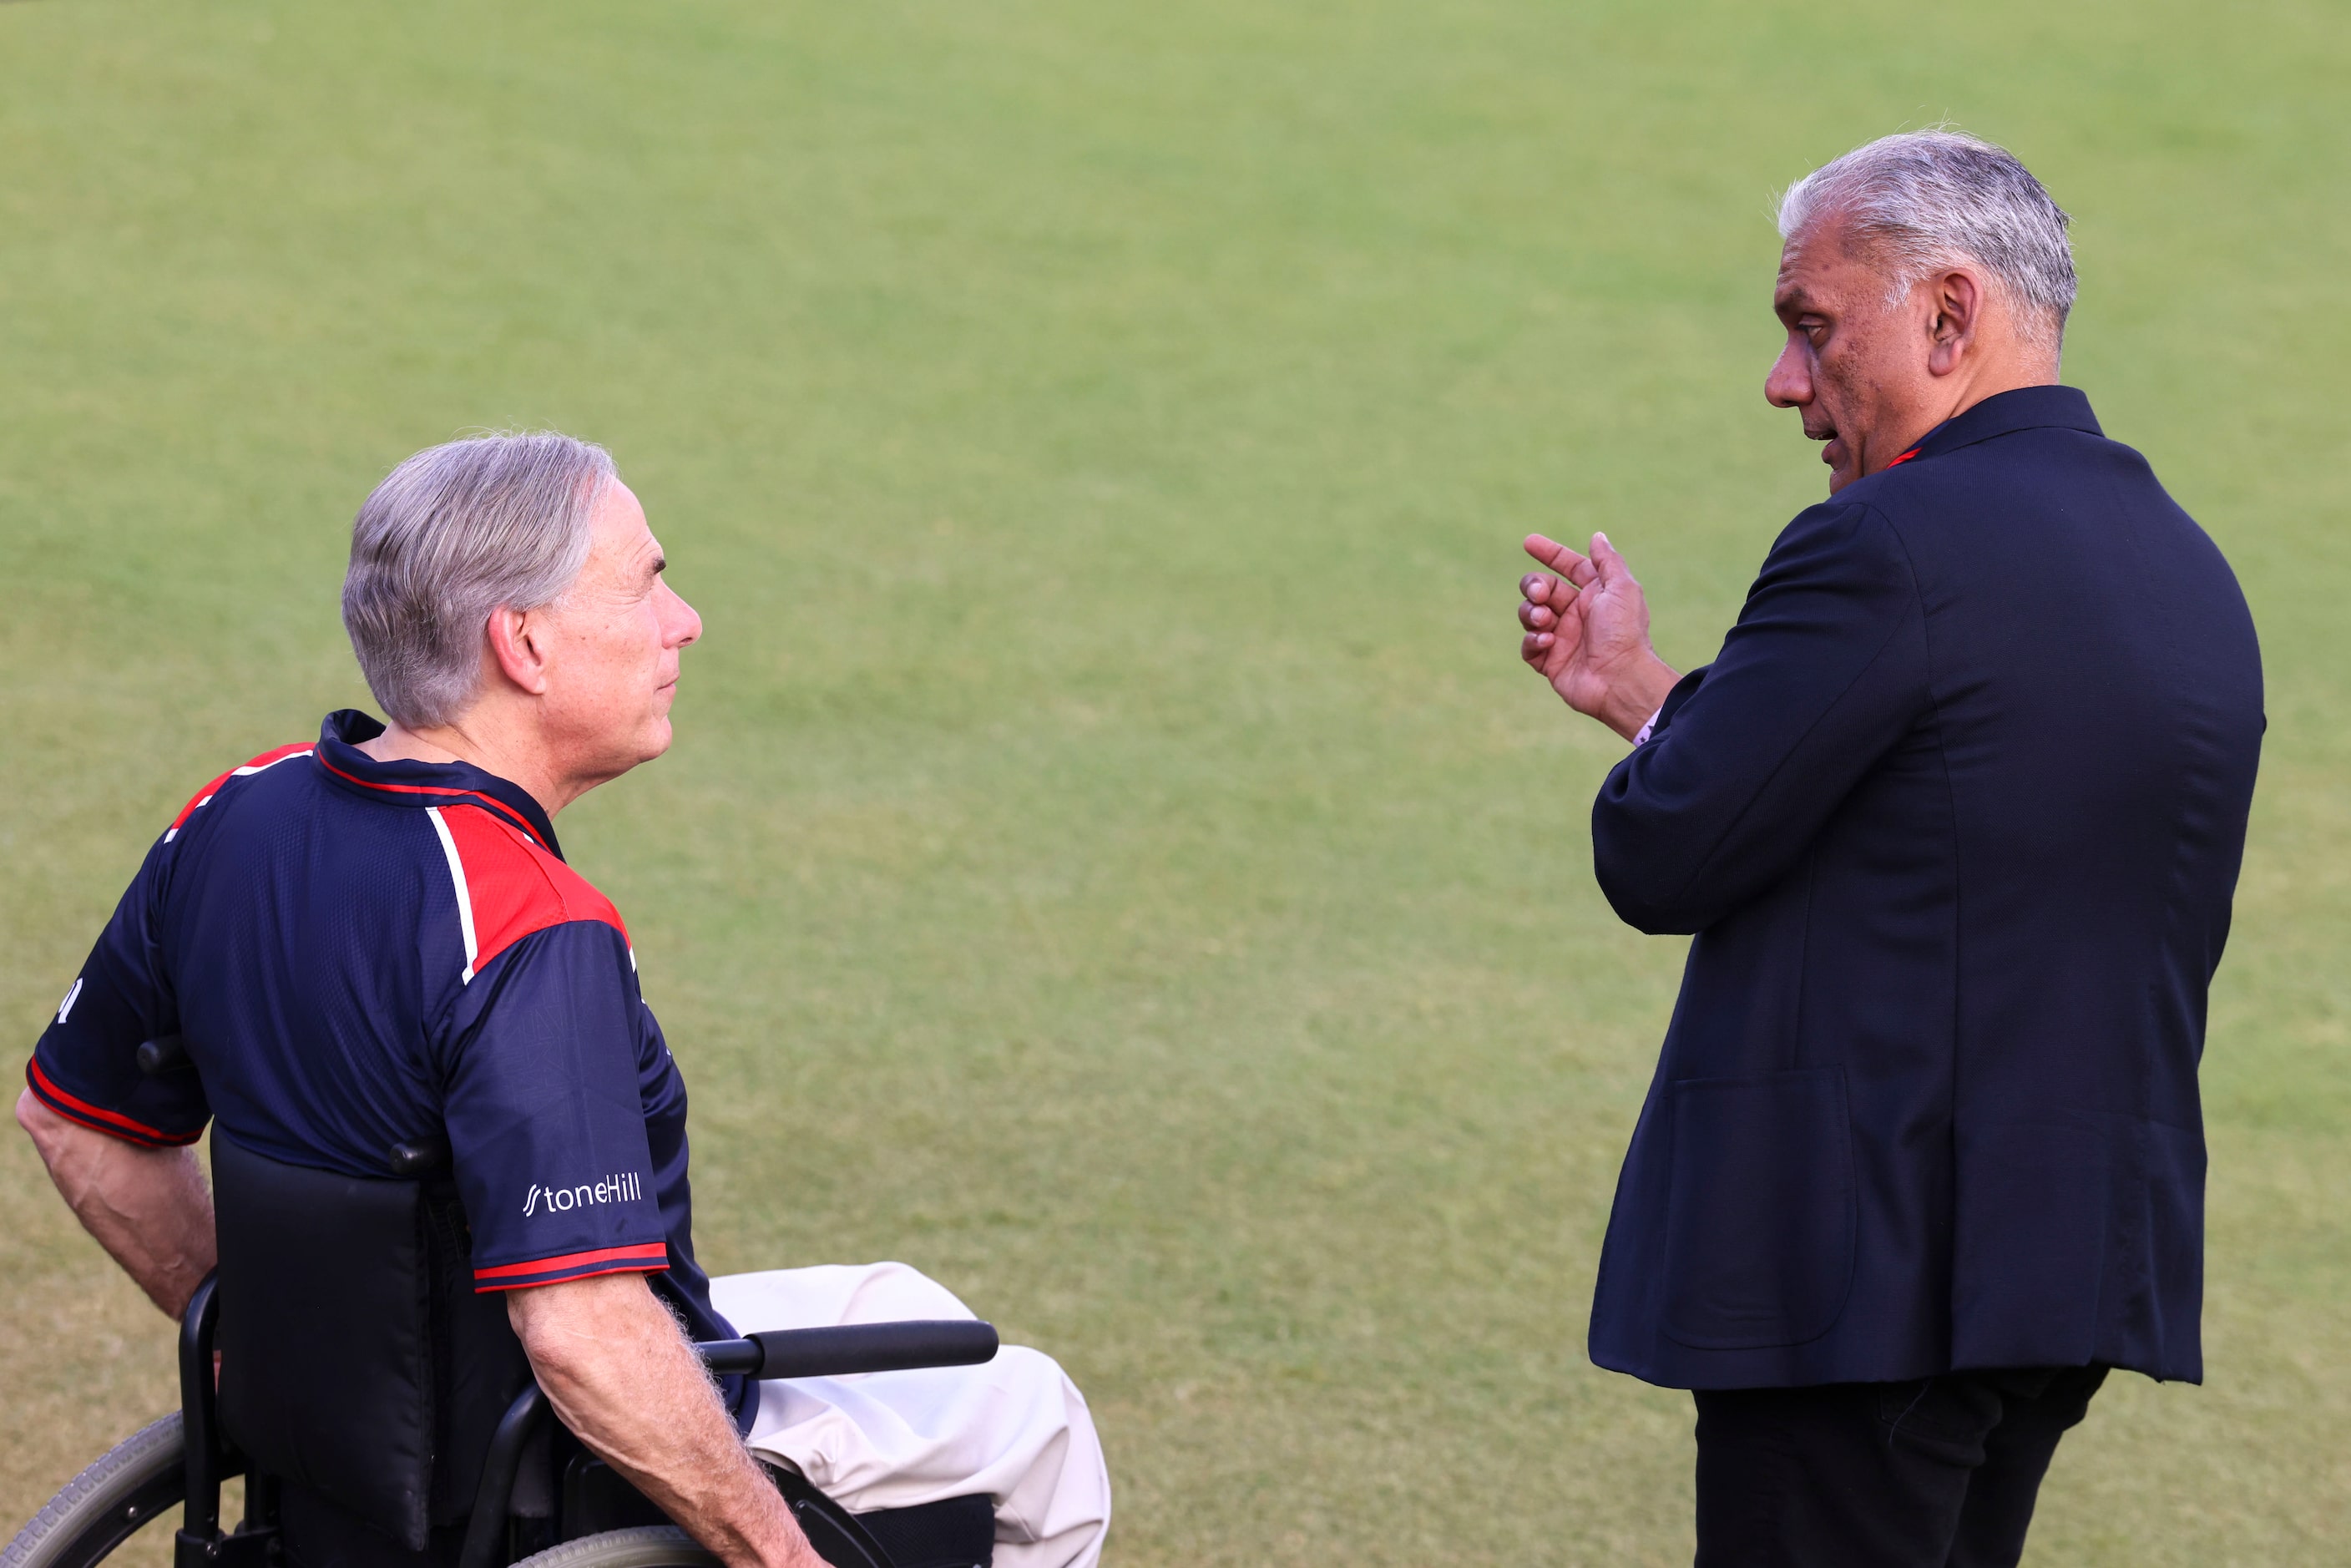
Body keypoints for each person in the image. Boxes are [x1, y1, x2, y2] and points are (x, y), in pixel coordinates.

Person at [18, 434, 1109, 1568]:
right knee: (1033, 1415)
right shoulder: (529, 927)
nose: (683, 620)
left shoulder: (232, 820)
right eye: (645, 582)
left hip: (364, 1454)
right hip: (543, 1475)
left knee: (902, 1300)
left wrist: (298, 1365)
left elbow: (78, 1121)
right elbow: (584, 1336)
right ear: (525, 644)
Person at [1514, 130, 2263, 1565]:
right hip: (2066, 1269)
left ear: (1948, 313)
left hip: (1866, 1281)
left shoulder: (1885, 544)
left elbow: (1666, 847)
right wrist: (1650, 694)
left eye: (1810, 328)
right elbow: (1934, 816)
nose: (1787, 383)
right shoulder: (2186, 566)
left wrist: (1666, 742)